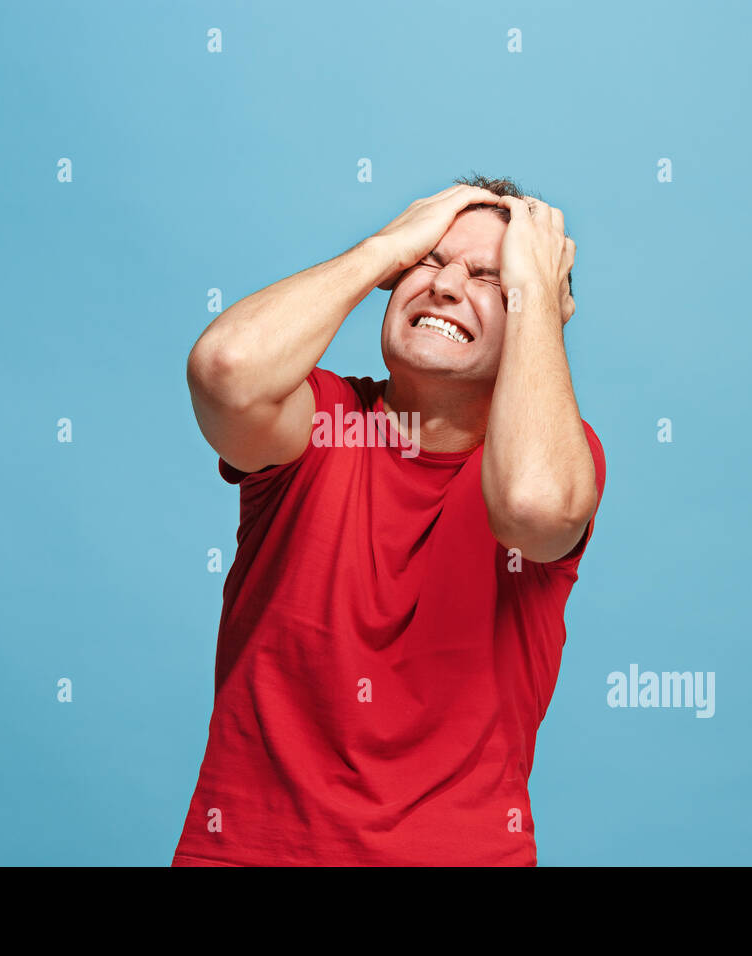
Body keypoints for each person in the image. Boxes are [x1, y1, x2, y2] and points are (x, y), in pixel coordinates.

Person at [173, 175, 607, 866]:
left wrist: (538, 299)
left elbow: (532, 506)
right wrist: (387, 245)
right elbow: (227, 370)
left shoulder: (559, 456)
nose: (446, 285)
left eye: (494, 279)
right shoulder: (318, 422)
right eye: (432, 262)